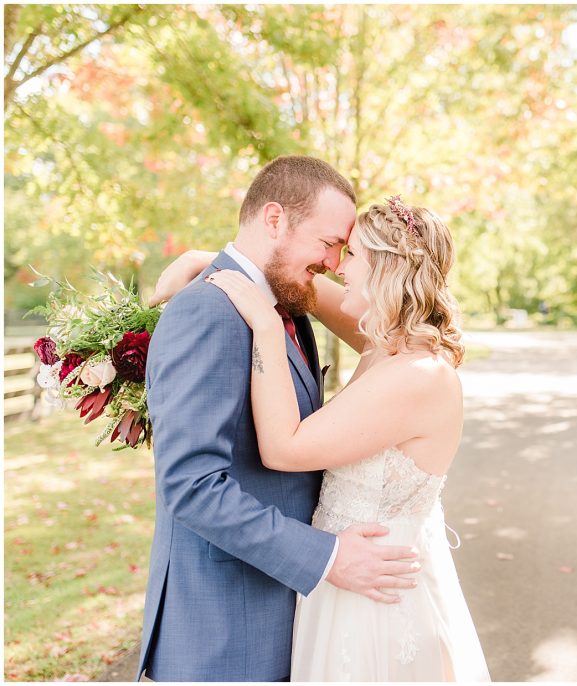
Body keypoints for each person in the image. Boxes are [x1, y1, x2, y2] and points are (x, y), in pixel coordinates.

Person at [154, 195, 490, 681]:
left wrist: (267, 327)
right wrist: (213, 261)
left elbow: (283, 448)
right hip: (343, 588)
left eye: (350, 255)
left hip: (374, 596)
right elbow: (306, 291)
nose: (336, 268)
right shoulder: (389, 345)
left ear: (387, 270)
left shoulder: (418, 375)